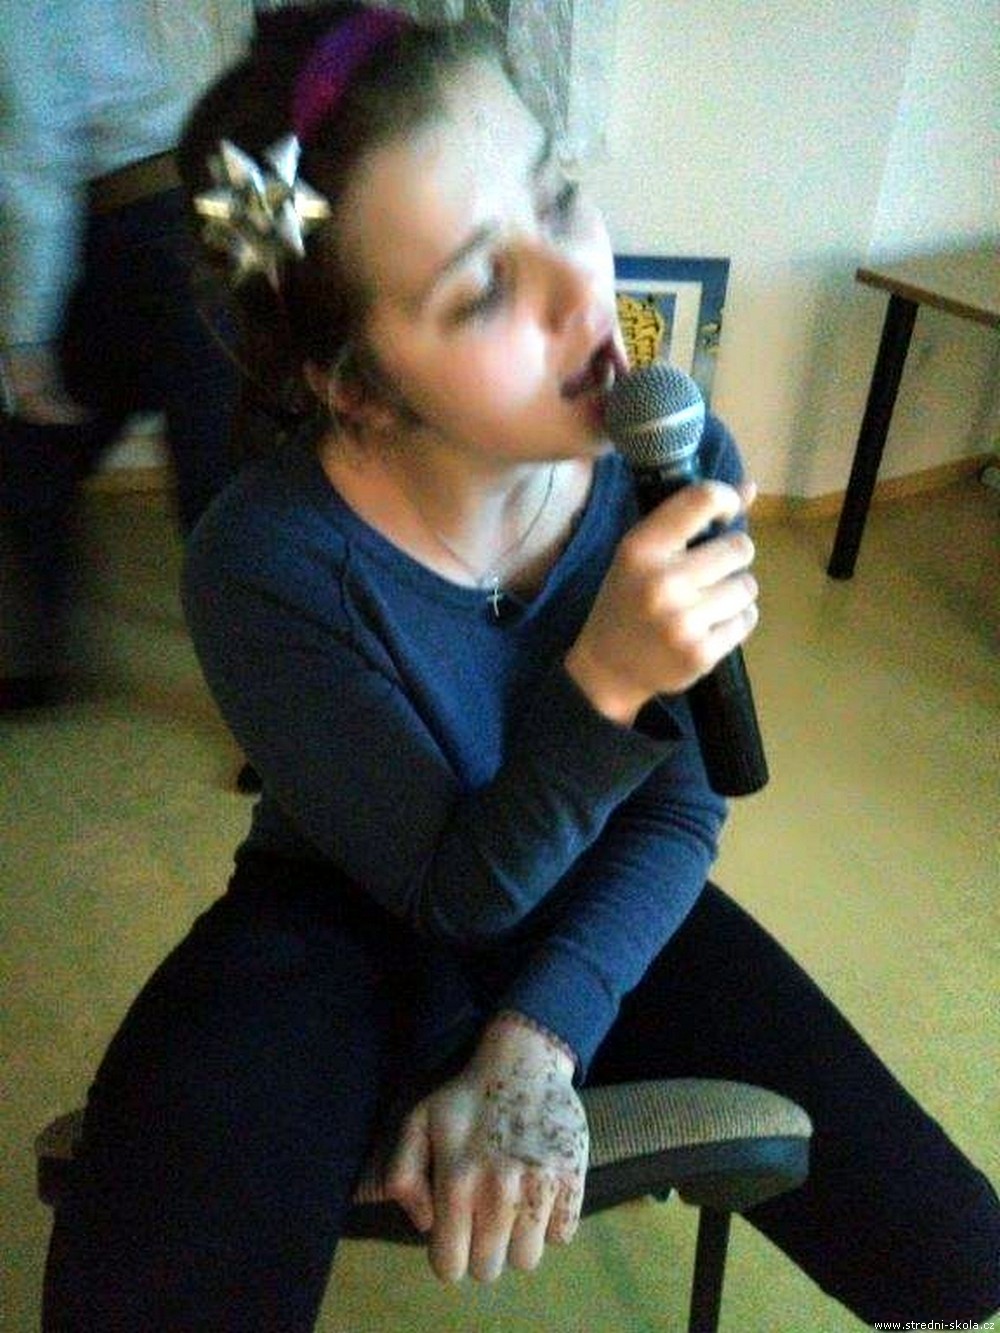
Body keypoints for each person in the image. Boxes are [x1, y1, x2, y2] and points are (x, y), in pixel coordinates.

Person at [42, 5, 1000, 1329]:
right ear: (357, 387)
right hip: (345, 900)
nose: (577, 290)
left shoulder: (677, 460)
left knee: (953, 1248)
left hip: (591, 876)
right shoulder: (265, 560)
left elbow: (677, 809)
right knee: (164, 1249)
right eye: (481, 291)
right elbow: (451, 893)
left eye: (556, 196)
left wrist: (538, 1033)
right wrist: (602, 684)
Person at [0, 2, 247, 709]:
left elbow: (35, 160)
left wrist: (25, 340)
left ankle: (28, 664)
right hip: (201, 203)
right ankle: (277, 705)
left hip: (132, 231)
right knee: (218, 483)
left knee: (33, 448)